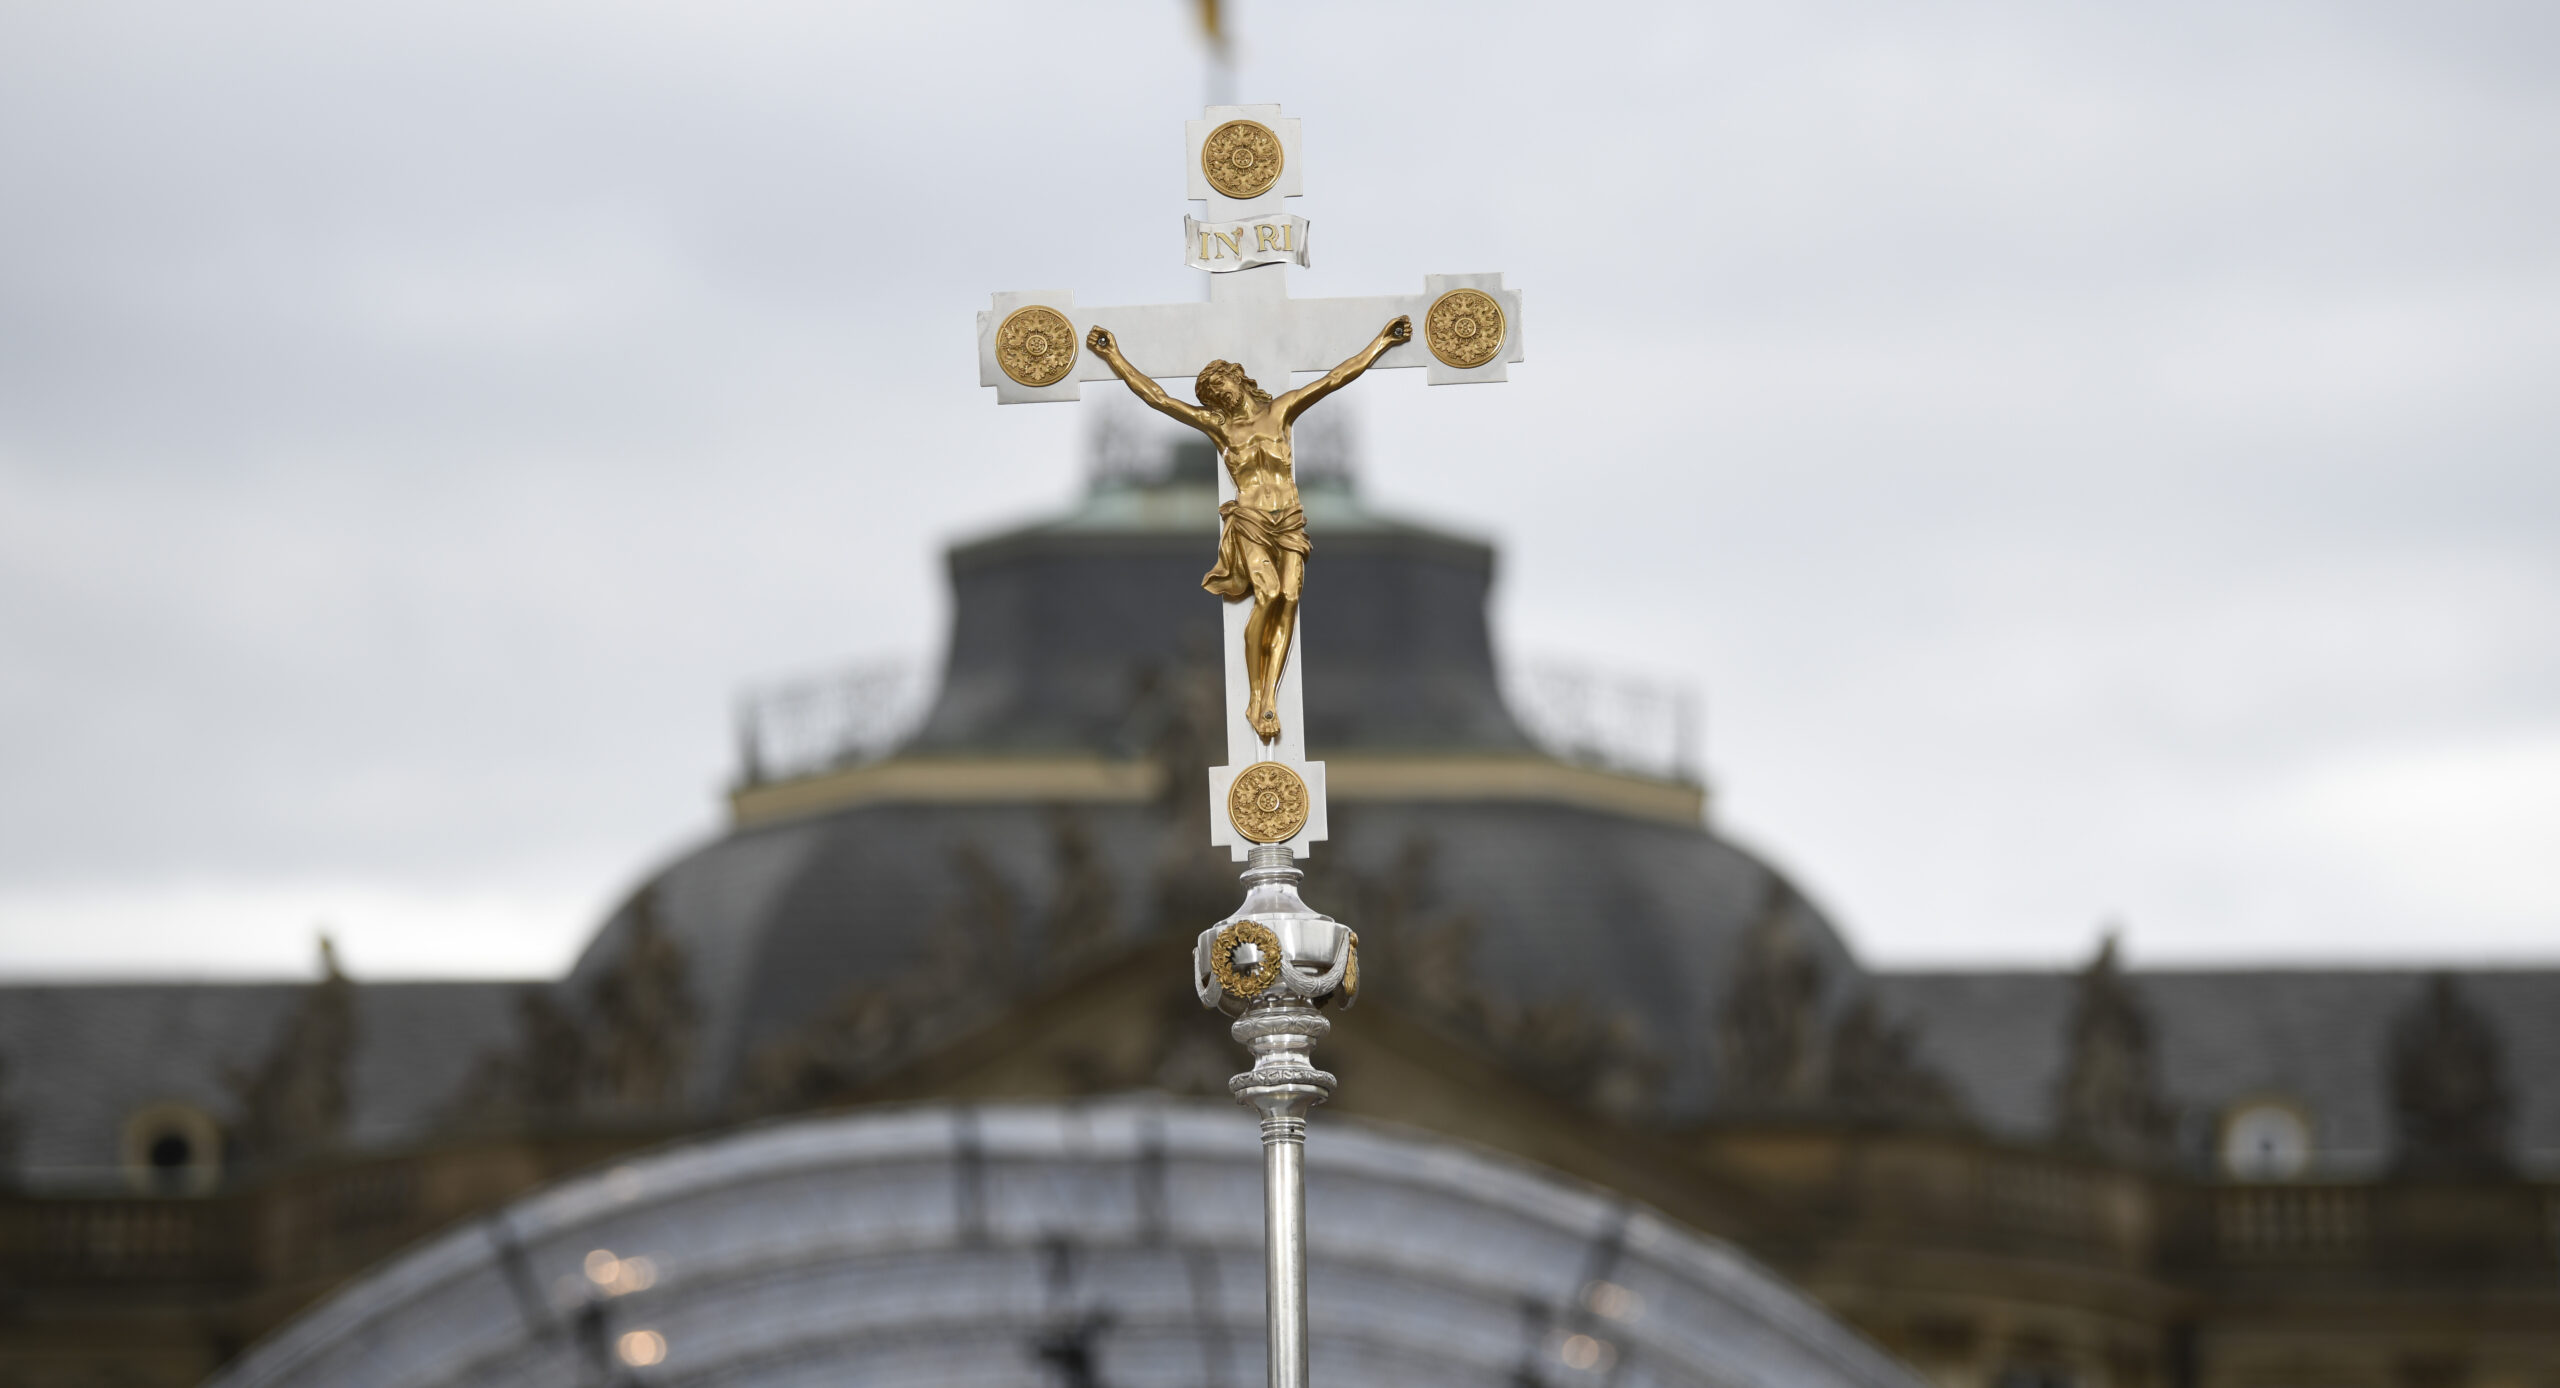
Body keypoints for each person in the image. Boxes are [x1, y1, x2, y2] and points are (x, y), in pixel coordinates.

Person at [1086, 316, 1412, 741]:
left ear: (1237, 379)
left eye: (1219, 384)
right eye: (1209, 393)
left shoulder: (1280, 412)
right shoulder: (1222, 428)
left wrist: (1381, 344)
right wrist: (1114, 356)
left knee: (1290, 598)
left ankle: (1269, 693)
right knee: (1271, 593)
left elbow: (1335, 378)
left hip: (1290, 521)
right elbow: (1160, 399)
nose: (1216, 394)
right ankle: (1260, 698)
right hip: (1251, 521)